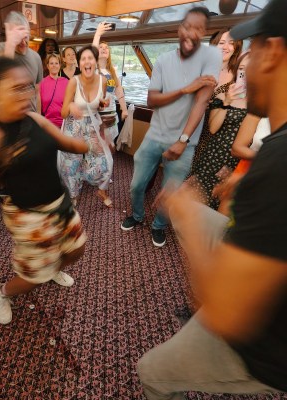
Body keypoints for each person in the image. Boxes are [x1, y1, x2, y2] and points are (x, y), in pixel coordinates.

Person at [137, 0, 287, 397]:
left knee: (151, 371)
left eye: (252, 52)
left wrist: (185, 214)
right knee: (200, 214)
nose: (243, 69)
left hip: (266, 346)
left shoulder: (279, 164)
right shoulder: (278, 150)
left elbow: (226, 312)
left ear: (273, 53)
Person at [0, 52, 88, 325]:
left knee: (76, 250)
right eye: (16, 88)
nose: (25, 94)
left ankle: (51, 266)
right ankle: (2, 292)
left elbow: (67, 143)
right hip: (28, 216)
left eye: (27, 87)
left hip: (59, 203)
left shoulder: (35, 119)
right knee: (32, 279)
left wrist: (91, 144)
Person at [120, 7, 221, 247]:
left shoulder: (211, 58)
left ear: (203, 33)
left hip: (185, 143)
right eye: (187, 26)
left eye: (198, 28)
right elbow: (152, 100)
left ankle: (159, 226)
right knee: (136, 185)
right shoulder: (164, 60)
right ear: (179, 29)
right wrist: (185, 89)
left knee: (170, 193)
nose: (191, 33)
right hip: (154, 136)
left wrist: (183, 140)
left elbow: (201, 102)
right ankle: (137, 215)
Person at [187, 53, 259, 210]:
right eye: (241, 68)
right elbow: (213, 128)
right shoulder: (222, 95)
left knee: (222, 204)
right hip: (213, 156)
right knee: (198, 200)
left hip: (238, 159)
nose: (245, 73)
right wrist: (227, 101)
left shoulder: (261, 101)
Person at [59, 45, 113, 207]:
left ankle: (101, 189)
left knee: (104, 161)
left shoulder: (103, 81)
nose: (87, 61)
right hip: (73, 125)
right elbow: (63, 113)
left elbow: (99, 106)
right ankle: (73, 195)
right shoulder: (73, 82)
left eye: (90, 58)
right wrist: (71, 106)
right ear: (79, 63)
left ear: (95, 62)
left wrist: (102, 103)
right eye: (83, 59)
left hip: (92, 125)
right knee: (71, 164)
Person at [190, 28, 243, 164]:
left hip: (218, 136)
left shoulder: (239, 77)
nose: (225, 47)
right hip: (191, 128)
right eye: (221, 43)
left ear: (236, 48)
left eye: (231, 43)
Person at [0, 11, 43, 113]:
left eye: (26, 37)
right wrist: (10, 45)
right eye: (19, 38)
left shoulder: (36, 57)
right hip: (7, 116)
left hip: (30, 116)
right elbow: (2, 81)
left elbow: (37, 93)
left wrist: (38, 116)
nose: (23, 43)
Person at [93, 22, 128, 143]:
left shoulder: (113, 72)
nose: (104, 49)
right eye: (100, 47)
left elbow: (119, 91)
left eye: (106, 48)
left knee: (109, 146)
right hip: (97, 116)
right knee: (97, 147)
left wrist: (124, 109)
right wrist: (98, 34)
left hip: (111, 114)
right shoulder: (93, 69)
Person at [40, 53, 68, 128]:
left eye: (56, 63)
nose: (54, 66)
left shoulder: (66, 82)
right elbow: (39, 105)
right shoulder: (42, 83)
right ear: (47, 66)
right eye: (51, 63)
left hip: (64, 124)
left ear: (60, 65)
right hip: (47, 125)